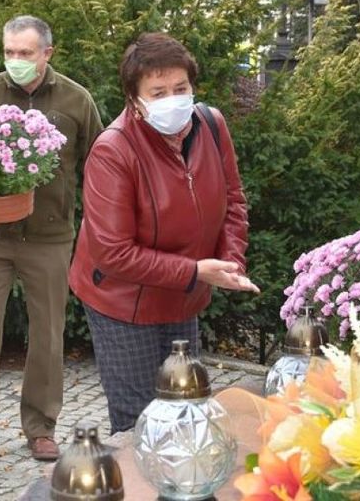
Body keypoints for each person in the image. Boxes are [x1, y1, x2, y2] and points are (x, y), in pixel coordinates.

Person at [68, 32, 259, 434]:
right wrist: (195, 271)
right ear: (134, 99)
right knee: (141, 421)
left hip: (183, 293)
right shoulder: (113, 150)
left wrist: (231, 262)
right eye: (157, 92)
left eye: (180, 88)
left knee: (185, 407)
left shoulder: (210, 124)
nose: (172, 99)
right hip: (122, 303)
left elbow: (233, 200)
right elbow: (113, 252)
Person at [0, 15, 103, 467]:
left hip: (50, 237)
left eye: (25, 54)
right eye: (9, 53)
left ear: (47, 53)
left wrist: (93, 226)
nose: (16, 62)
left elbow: (100, 167)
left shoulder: (76, 100)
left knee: (47, 333)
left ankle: (41, 427)